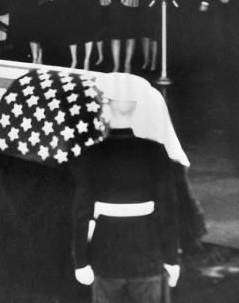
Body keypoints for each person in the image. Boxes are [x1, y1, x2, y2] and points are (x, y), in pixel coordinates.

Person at [71, 78, 180, 303]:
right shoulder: (156, 152)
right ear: (136, 108)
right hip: (147, 253)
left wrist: (80, 261)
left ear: (106, 109)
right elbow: (168, 209)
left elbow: (81, 212)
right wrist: (171, 258)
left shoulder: (91, 154)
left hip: (105, 254)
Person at [94, 0, 148, 73]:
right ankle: (116, 66)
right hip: (112, 0)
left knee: (130, 34)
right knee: (115, 34)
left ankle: (127, 65)